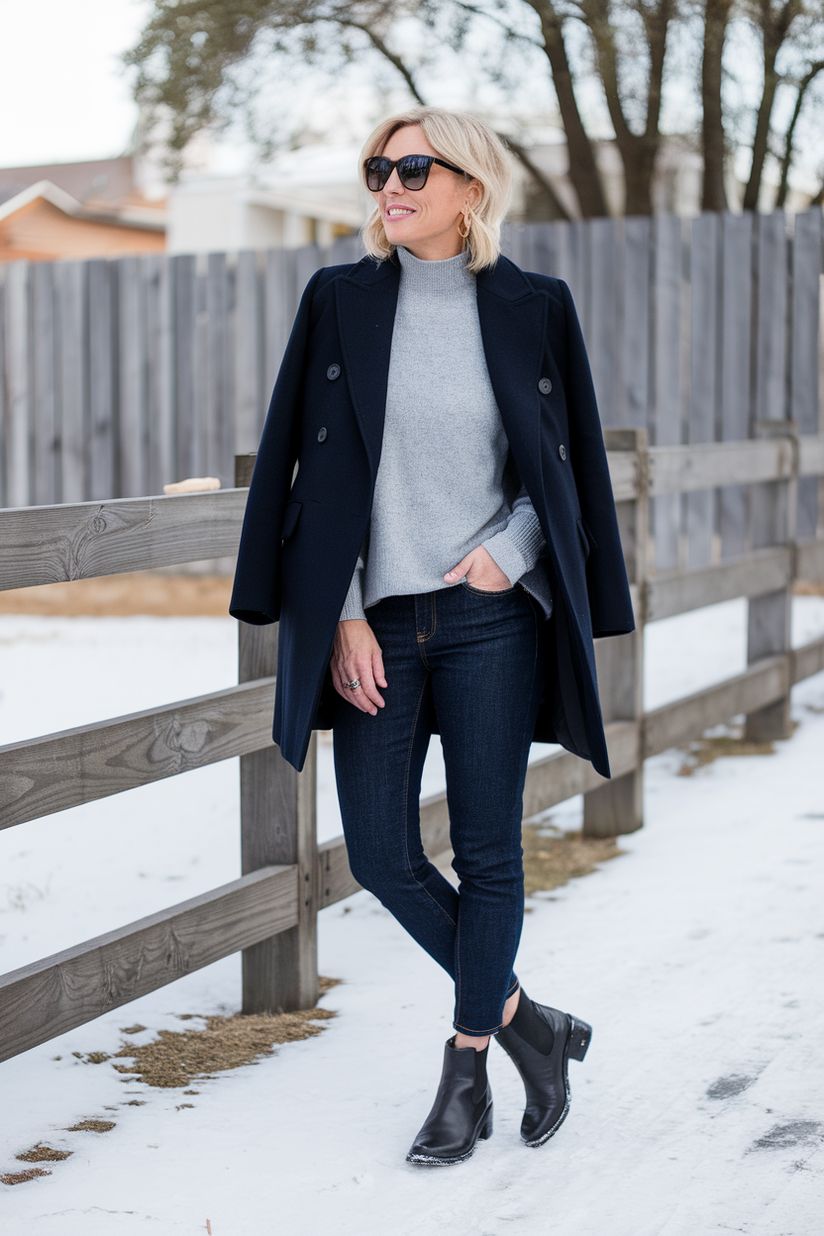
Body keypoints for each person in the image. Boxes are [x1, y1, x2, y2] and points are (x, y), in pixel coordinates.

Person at [230, 107, 634, 1166]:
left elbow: (567, 465)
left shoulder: (533, 305)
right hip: (378, 627)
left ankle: (465, 1066)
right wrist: (344, 612)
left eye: (412, 168)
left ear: (469, 185)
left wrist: (513, 545)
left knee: (490, 854)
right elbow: (308, 470)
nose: (389, 186)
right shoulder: (340, 301)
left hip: (489, 618)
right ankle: (530, 1028)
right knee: (377, 851)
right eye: (377, 168)